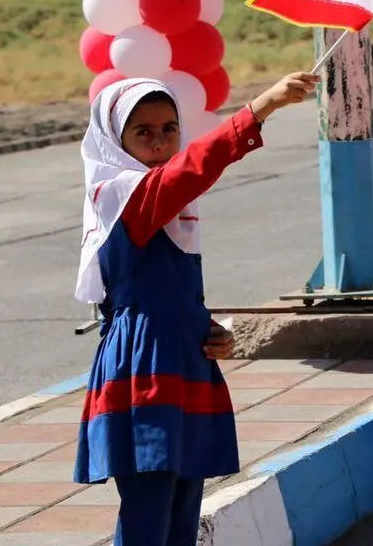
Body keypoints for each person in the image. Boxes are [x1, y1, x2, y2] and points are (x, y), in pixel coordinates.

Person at [75, 72, 317, 545]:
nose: (160, 141)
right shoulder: (124, 195)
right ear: (115, 140)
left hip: (180, 355)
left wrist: (208, 330)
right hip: (143, 366)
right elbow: (193, 168)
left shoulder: (163, 203)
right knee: (150, 504)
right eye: (142, 132)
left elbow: (166, 289)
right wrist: (261, 106)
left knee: (184, 502)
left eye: (169, 128)